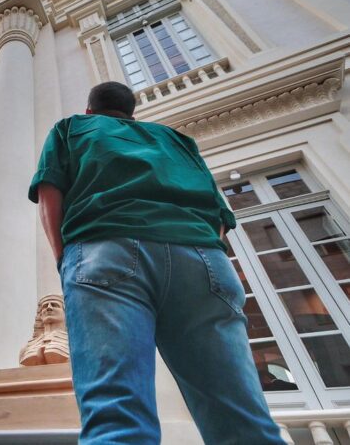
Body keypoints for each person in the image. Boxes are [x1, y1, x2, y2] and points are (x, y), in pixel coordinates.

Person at [29, 81, 285, 444]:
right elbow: (218, 214)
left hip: (105, 247)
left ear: (90, 110)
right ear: (133, 115)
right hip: (201, 255)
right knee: (242, 417)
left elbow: (49, 195)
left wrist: (64, 258)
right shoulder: (177, 140)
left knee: (118, 417)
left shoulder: (71, 128)